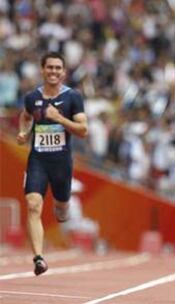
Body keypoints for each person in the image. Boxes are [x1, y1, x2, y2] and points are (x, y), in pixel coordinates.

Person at [16, 52, 88, 276]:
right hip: (37, 159)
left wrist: (59, 119)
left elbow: (83, 130)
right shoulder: (31, 97)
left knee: (62, 210)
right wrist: (23, 132)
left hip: (62, 163)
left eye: (58, 68)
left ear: (64, 72)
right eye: (50, 67)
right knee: (33, 204)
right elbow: (26, 116)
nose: (54, 72)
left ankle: (63, 206)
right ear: (42, 70)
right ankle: (38, 258)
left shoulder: (73, 98)